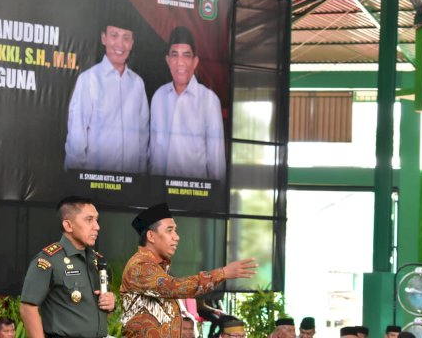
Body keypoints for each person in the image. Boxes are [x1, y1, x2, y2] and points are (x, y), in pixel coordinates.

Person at [120, 203, 257, 337]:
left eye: (175, 230)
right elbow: (175, 287)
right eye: (170, 230)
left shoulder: (157, 269)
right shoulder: (140, 266)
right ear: (151, 236)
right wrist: (222, 273)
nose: (176, 236)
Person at [20, 196, 116, 338]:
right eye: (89, 220)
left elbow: (96, 314)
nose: (97, 226)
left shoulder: (97, 261)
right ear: (68, 225)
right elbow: (28, 308)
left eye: (96, 220)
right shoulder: (48, 260)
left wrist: (110, 305)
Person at [64, 17, 149, 174]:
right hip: (95, 183)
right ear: (104, 38)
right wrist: (75, 180)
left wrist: (142, 177)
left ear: (132, 43)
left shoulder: (137, 84)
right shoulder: (89, 79)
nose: (120, 44)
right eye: (114, 35)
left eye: (126, 38)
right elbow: (77, 136)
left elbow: (143, 135)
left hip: (130, 184)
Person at [150, 26, 225, 180]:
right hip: (160, 193)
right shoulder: (158, 97)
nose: (180, 62)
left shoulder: (209, 100)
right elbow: (153, 152)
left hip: (194, 195)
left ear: (195, 62)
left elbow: (216, 161)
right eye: (174, 55)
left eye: (186, 55)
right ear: (167, 60)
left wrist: (214, 197)